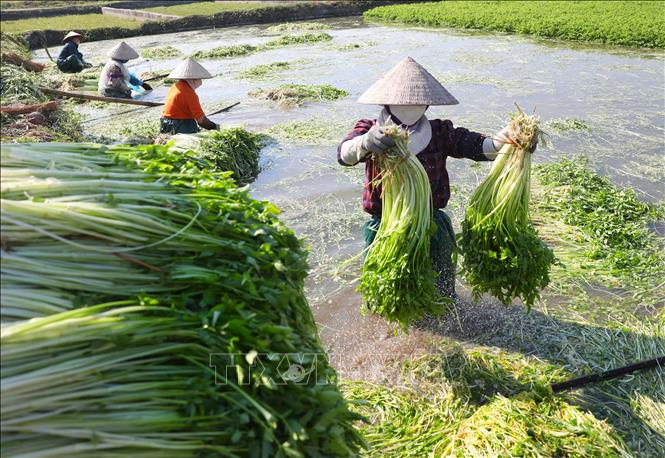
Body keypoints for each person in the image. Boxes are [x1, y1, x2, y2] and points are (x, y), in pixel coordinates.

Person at [337, 57, 536, 299]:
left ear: (427, 104)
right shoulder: (370, 129)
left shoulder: (440, 132)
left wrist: (508, 141)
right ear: (386, 102)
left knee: (440, 291)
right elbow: (344, 154)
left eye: (417, 101)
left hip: (431, 224)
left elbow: (475, 146)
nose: (410, 106)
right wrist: (366, 143)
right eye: (403, 101)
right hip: (386, 226)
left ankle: (444, 320)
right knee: (385, 293)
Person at [159, 57, 219, 134]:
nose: (200, 81)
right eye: (199, 79)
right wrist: (214, 126)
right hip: (179, 125)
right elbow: (201, 121)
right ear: (193, 79)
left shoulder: (175, 86)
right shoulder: (189, 93)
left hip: (165, 123)